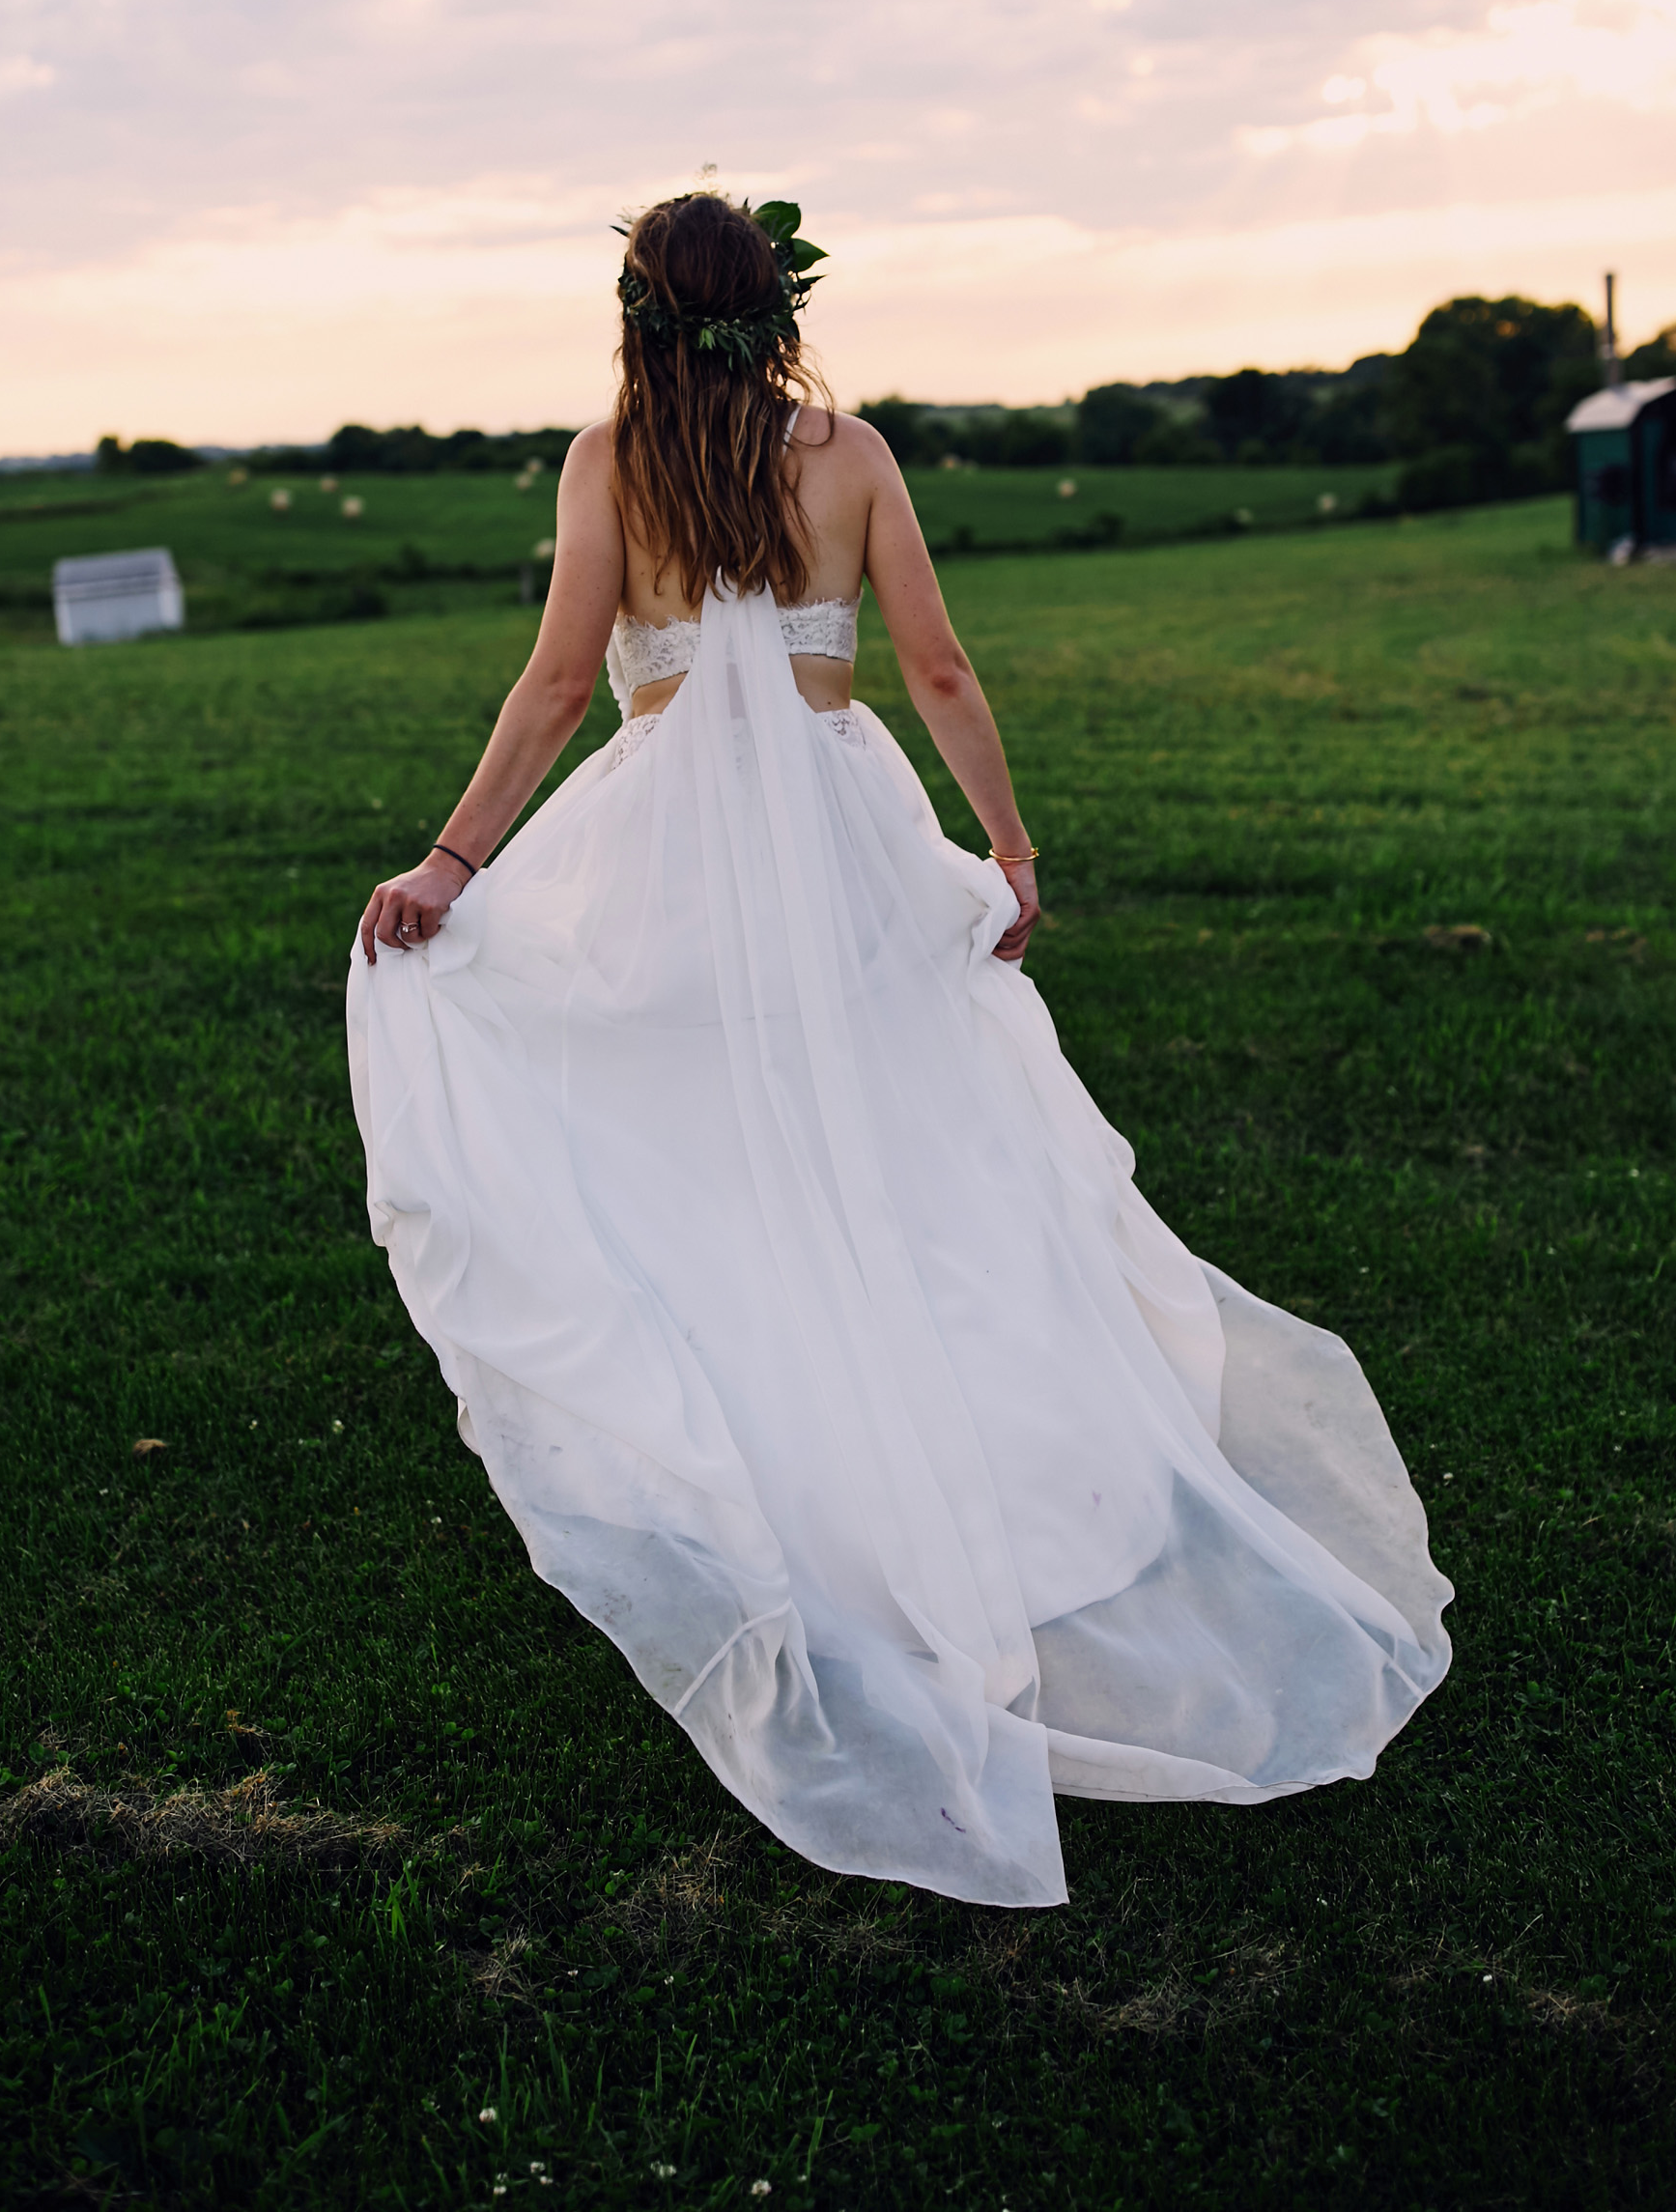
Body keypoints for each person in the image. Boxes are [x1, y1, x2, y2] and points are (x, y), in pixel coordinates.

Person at [348, 191, 1450, 1910]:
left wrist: (453, 862)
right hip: (844, 839)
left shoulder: (605, 461)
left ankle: (793, 1473)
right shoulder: (846, 453)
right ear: (774, 301)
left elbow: (559, 688)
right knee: (907, 1143)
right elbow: (931, 666)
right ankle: (983, 1473)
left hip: (667, 862)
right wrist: (1008, 847)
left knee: (717, 1158)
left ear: (640, 311)